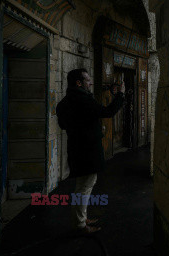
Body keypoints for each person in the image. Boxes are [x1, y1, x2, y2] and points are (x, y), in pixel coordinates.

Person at [56, 68, 125, 233]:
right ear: (79, 83)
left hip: (77, 149)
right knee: (84, 187)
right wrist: (120, 95)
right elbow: (107, 112)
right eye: (88, 80)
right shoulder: (83, 100)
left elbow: (63, 124)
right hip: (87, 151)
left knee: (83, 185)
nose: (91, 83)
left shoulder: (66, 101)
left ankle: (81, 218)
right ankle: (80, 225)